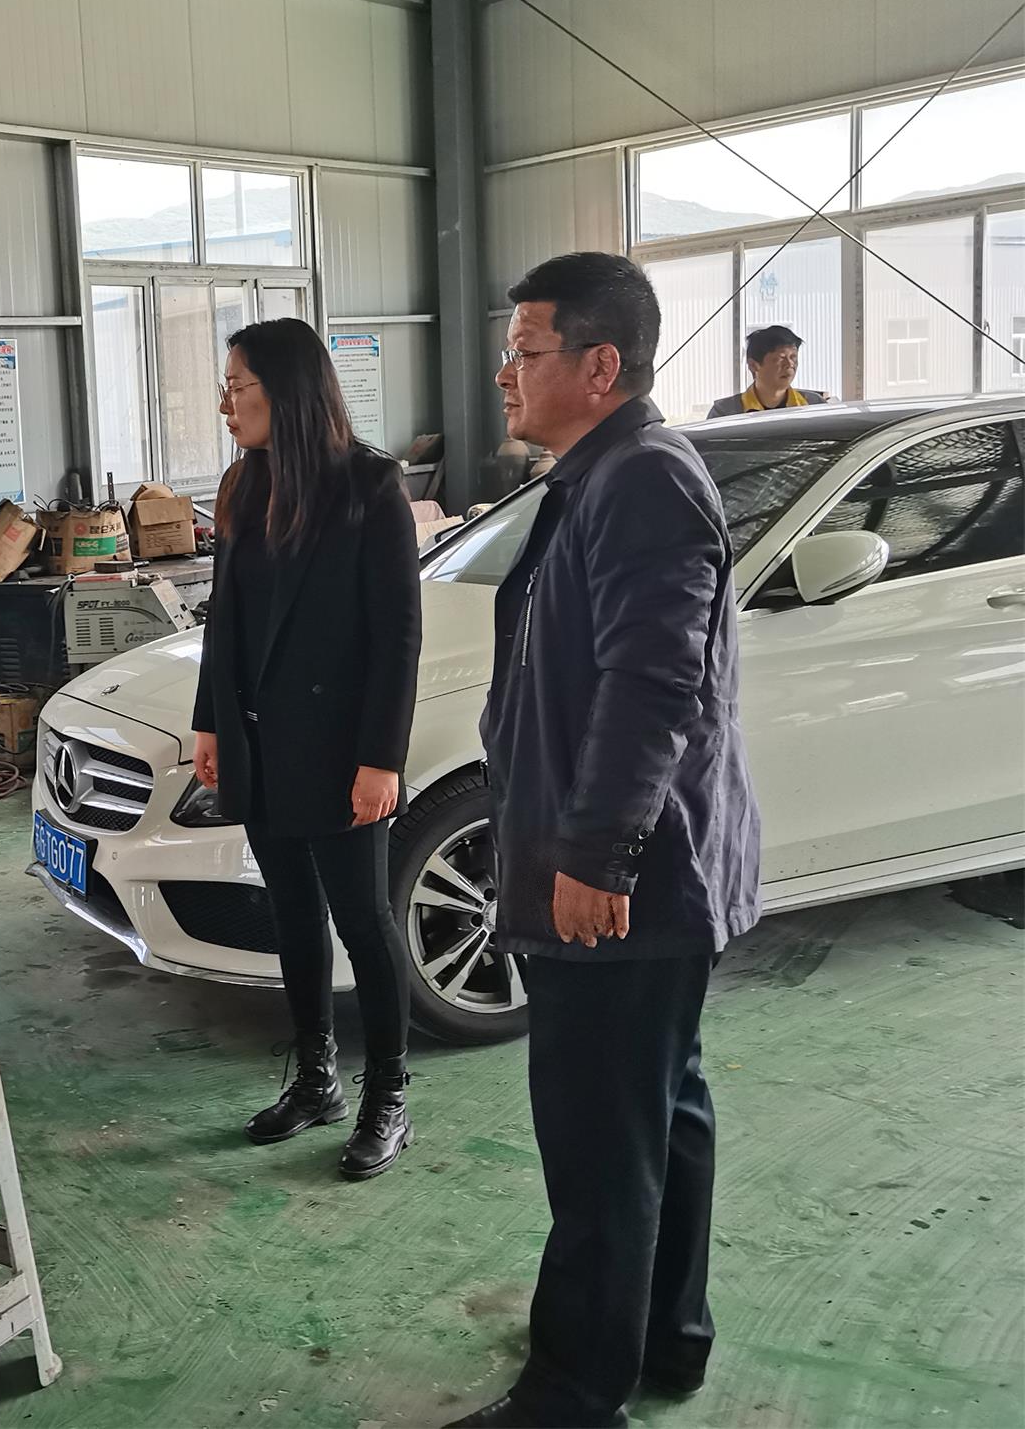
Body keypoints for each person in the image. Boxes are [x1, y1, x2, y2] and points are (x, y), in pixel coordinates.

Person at [448, 254, 762, 1429]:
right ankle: (663, 1336)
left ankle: (573, 1395)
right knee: (656, 1115)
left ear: (598, 365)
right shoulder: (601, 476)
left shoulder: (640, 480)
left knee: (597, 1146)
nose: (504, 373)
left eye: (525, 351)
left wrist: (594, 856)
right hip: (647, 874)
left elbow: (651, 684)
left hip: (629, 884)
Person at [190, 317, 422, 1181]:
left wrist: (381, 758)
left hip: (340, 748)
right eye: (225, 388)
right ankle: (318, 1077)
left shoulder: (370, 487)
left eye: (238, 387)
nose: (226, 405)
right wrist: (211, 721)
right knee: (291, 914)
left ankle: (388, 1095)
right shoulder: (243, 484)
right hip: (261, 740)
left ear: (285, 391)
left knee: (362, 920)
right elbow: (226, 620)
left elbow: (397, 637)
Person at [706, 324, 829, 416]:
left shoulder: (815, 406)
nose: (790, 364)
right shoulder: (724, 413)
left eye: (793, 357)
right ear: (753, 365)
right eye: (781, 358)